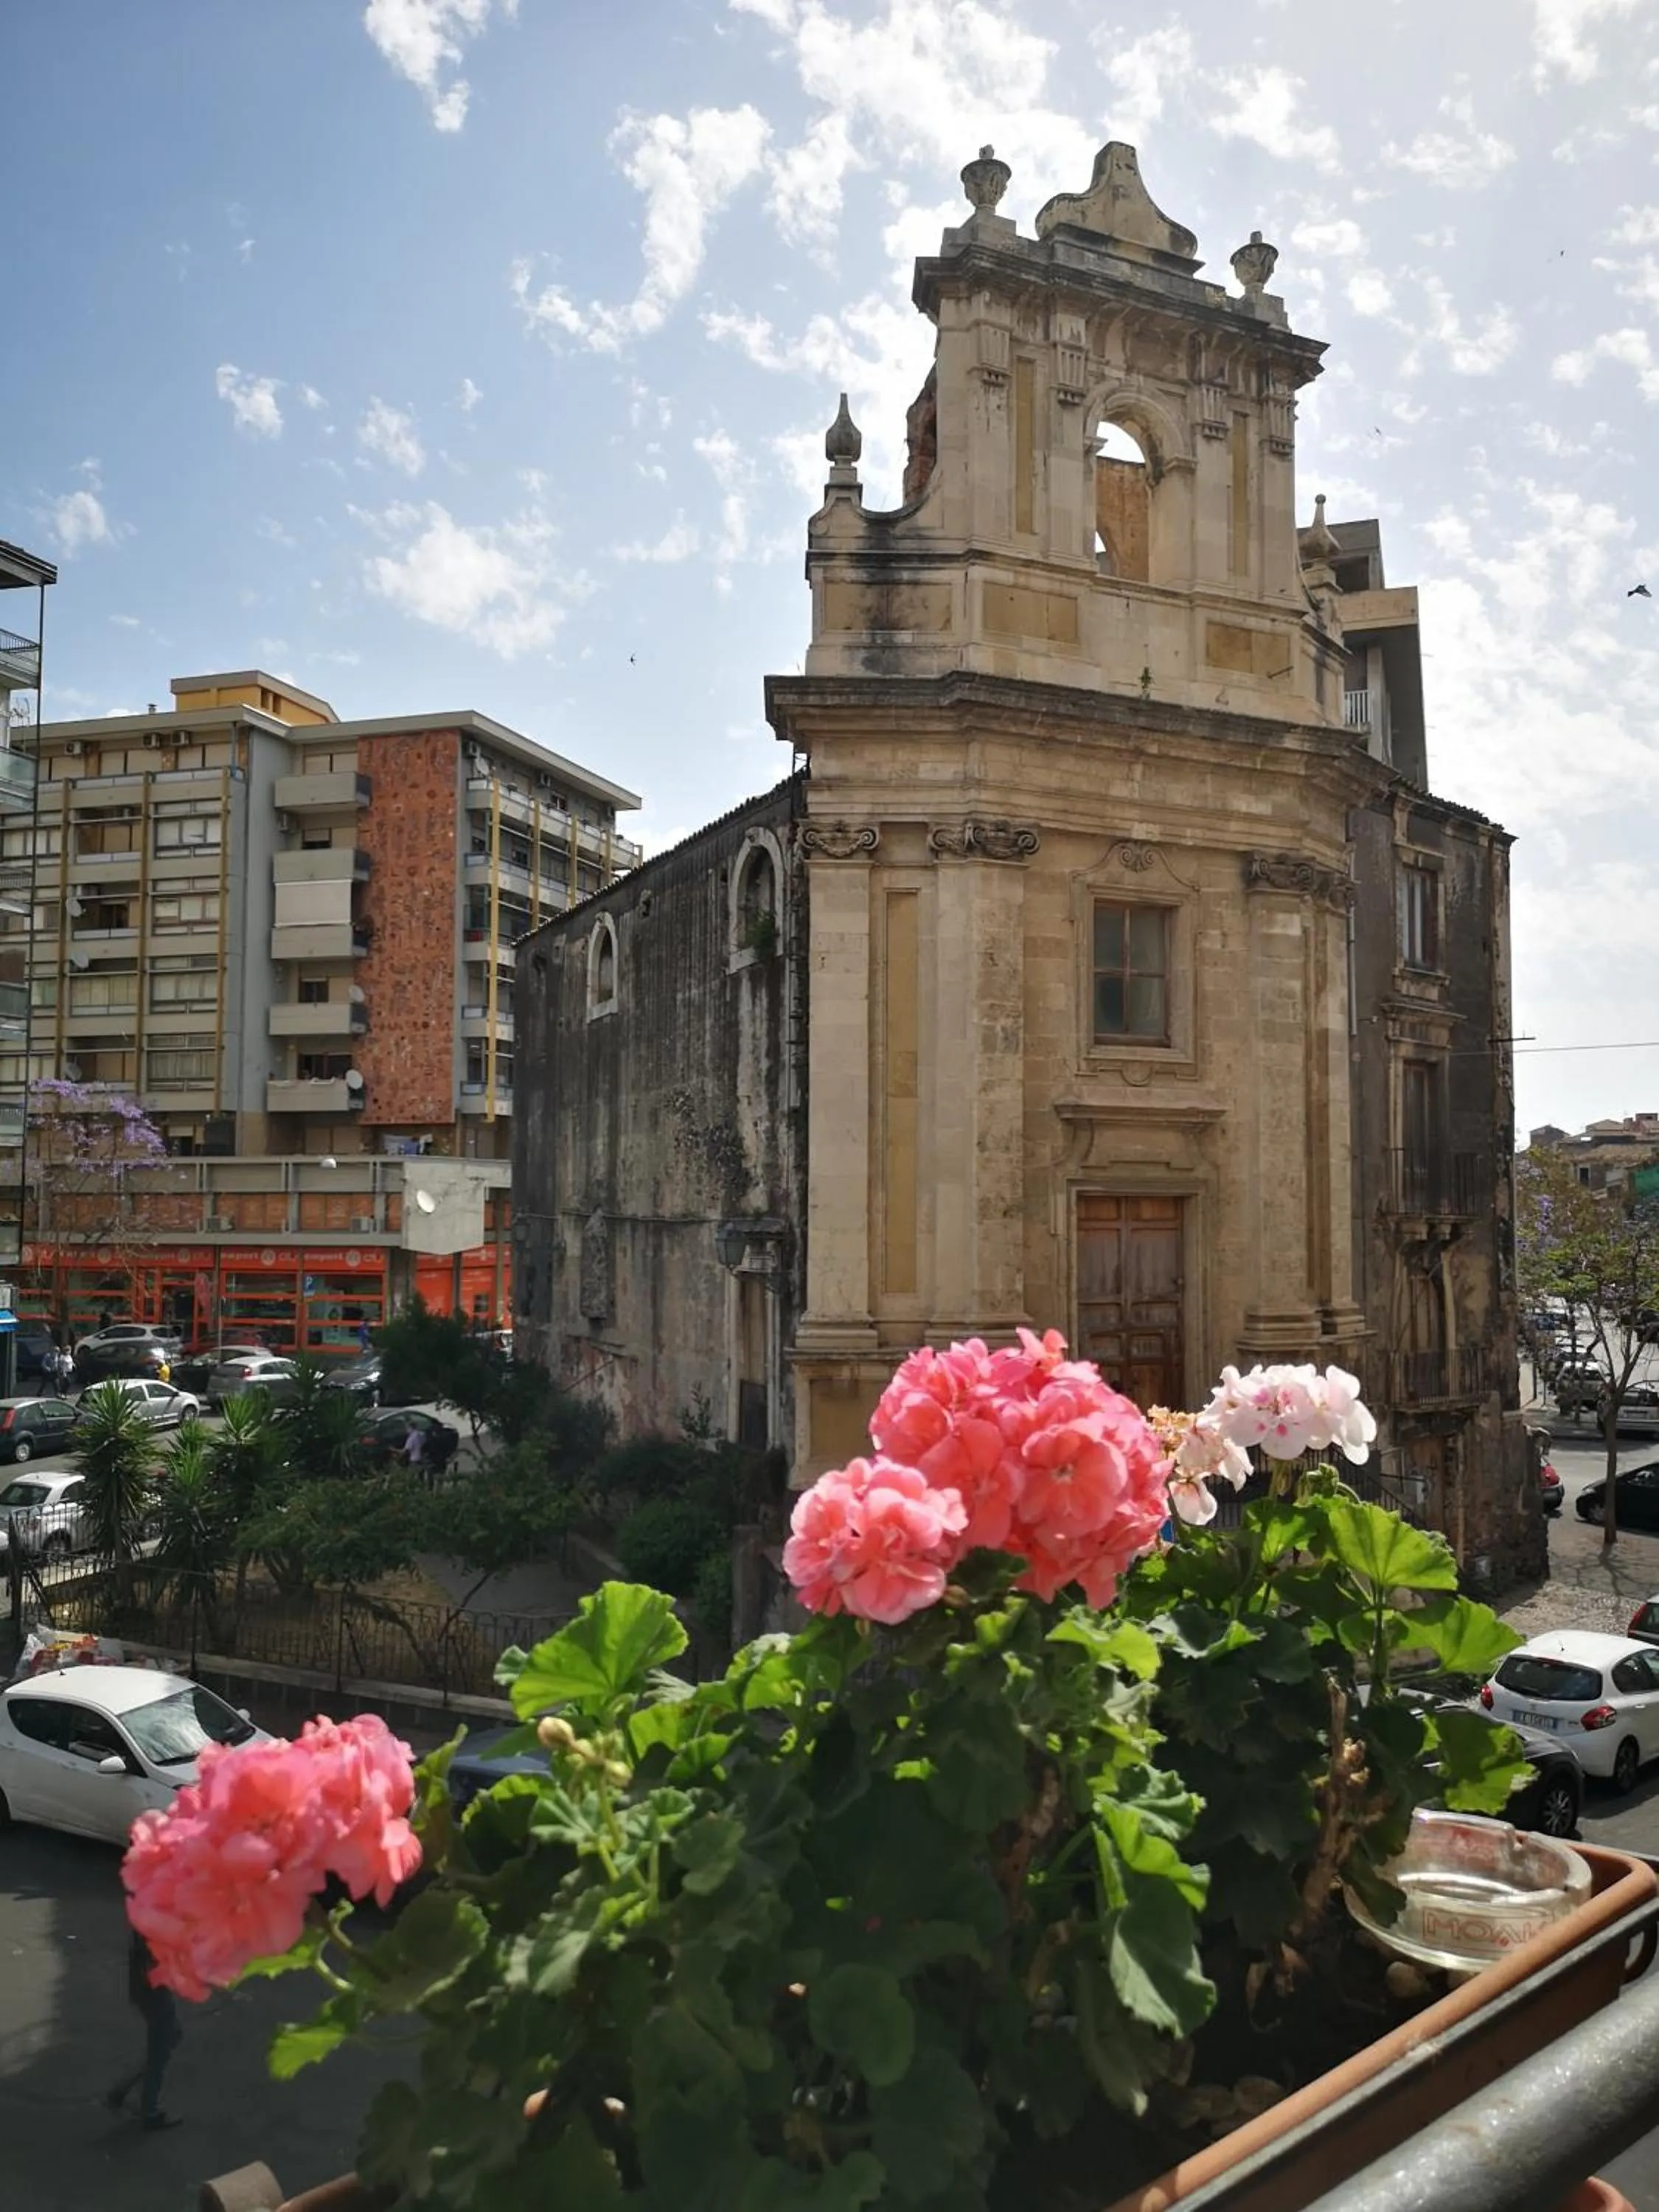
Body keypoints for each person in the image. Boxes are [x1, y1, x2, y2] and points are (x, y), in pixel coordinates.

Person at [105, 1927, 182, 2131]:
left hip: (146, 1988)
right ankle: (150, 2111)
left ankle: (123, 2090)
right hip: (154, 1991)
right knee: (162, 2047)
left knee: (171, 2037)